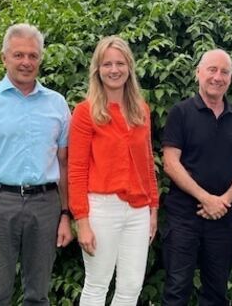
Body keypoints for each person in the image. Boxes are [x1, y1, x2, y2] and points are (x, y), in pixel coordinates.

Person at [0, 23, 74, 305]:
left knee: (38, 294)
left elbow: (65, 165)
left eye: (33, 56)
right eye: (18, 55)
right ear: (4, 57)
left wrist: (65, 214)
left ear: (40, 59)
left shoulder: (57, 103)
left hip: (45, 206)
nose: (26, 62)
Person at [68, 35, 159, 305]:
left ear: (129, 67)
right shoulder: (85, 112)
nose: (114, 69)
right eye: (107, 64)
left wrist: (153, 209)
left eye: (120, 63)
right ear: (97, 69)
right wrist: (81, 221)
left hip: (138, 211)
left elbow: (147, 162)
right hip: (101, 208)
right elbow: (76, 170)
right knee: (97, 285)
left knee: (131, 287)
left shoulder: (141, 110)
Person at [160, 49, 232, 305]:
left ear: (231, 78)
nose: (218, 77)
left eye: (225, 72)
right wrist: (205, 198)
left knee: (216, 292)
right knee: (177, 289)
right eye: (212, 69)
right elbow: (170, 163)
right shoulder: (180, 112)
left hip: (223, 217)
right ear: (198, 73)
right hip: (183, 218)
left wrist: (224, 200)